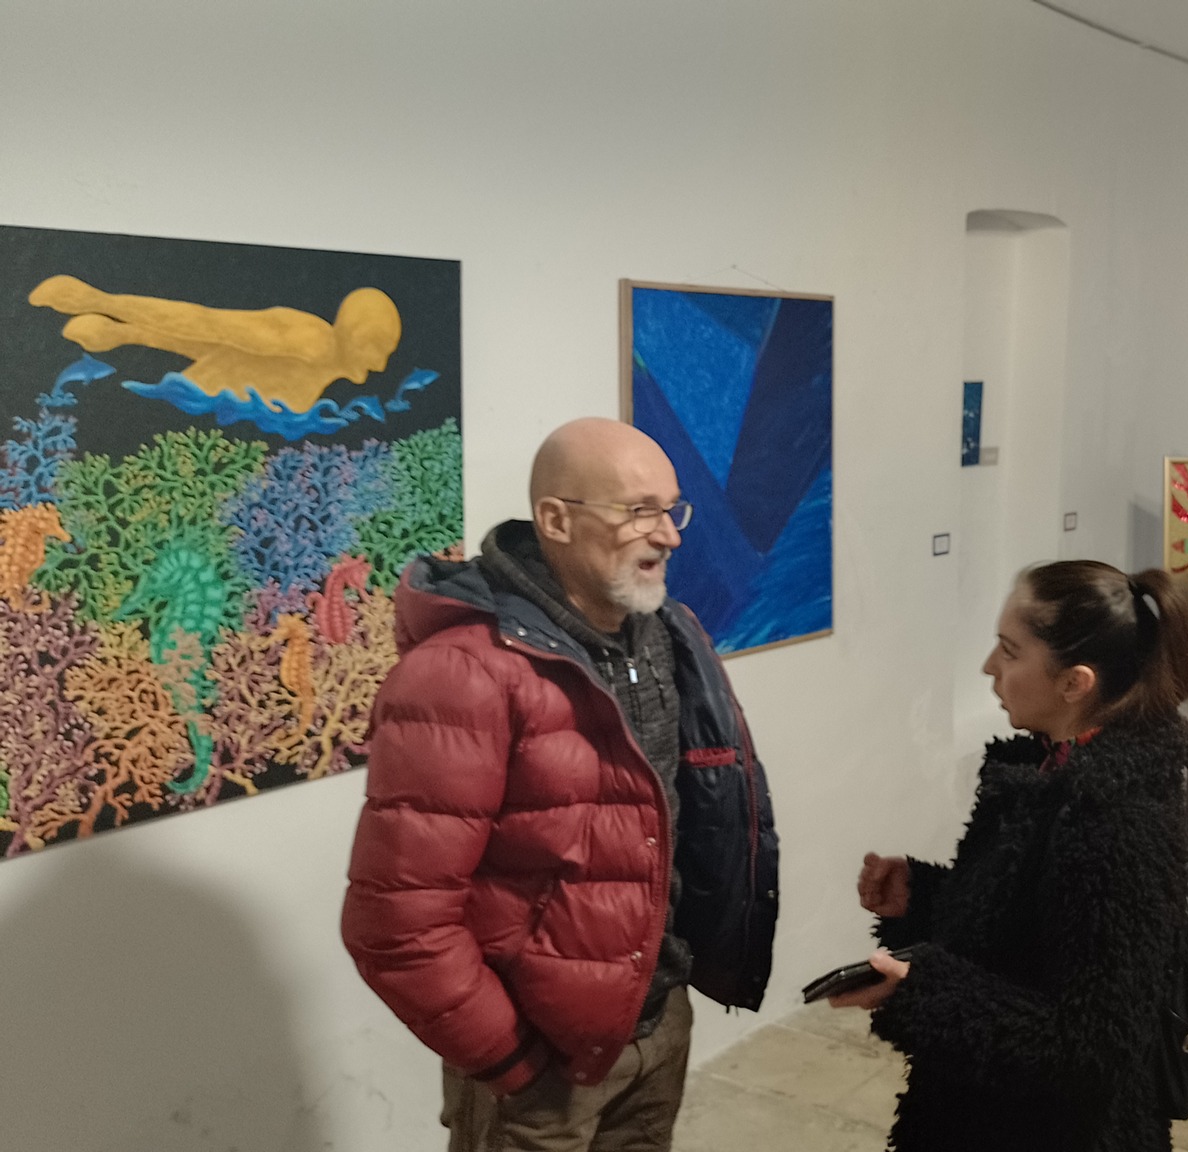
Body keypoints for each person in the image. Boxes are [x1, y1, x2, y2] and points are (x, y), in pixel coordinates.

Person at [340, 418, 779, 1152]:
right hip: (539, 1062)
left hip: (657, 1022)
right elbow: (395, 923)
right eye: (638, 510)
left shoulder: (670, 634)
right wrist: (509, 1061)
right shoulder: (462, 675)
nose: (668, 534)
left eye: (672, 509)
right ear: (556, 520)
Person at [835, 561, 1188, 1152]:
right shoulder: (1047, 773)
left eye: (1010, 651)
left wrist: (924, 994)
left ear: (1074, 683)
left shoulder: (1116, 821)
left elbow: (1091, 1051)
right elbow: (1027, 932)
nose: (989, 666)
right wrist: (923, 896)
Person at [29, 272, 402, 412]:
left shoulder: (319, 371)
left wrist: (126, 335)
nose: (381, 365)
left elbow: (226, 354)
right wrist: (101, 302)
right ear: (351, 335)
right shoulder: (310, 340)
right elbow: (207, 325)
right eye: (376, 346)